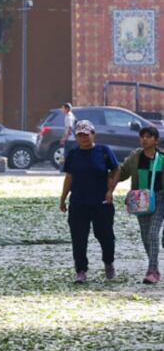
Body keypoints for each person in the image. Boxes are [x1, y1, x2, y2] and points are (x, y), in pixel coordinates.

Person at [60, 119, 119, 283]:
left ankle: (108, 263)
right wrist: (63, 198)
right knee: (78, 238)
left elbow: (116, 169)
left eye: (86, 134)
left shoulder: (104, 151)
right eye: (79, 135)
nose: (83, 138)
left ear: (93, 134)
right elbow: (69, 177)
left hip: (101, 203)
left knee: (105, 236)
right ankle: (81, 270)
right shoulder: (73, 154)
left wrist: (110, 190)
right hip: (78, 203)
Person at [112, 125, 164, 283]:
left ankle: (152, 270)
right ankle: (153, 267)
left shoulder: (161, 158)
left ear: (156, 140)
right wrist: (107, 175)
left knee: (153, 232)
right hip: (140, 200)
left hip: (160, 198)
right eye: (142, 136)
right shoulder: (136, 156)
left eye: (149, 136)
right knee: (145, 235)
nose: (145, 139)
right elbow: (122, 171)